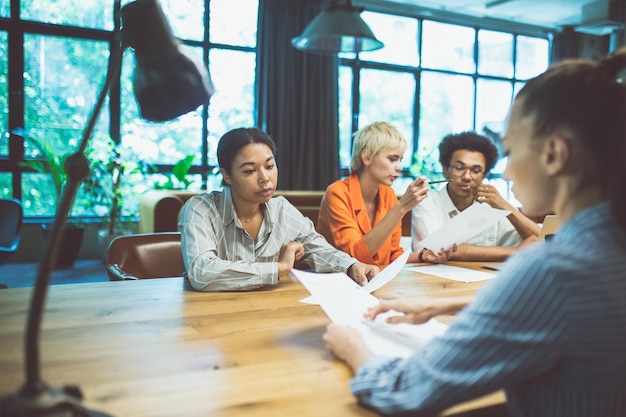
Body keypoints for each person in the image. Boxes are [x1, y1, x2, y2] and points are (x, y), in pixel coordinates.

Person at [323, 47, 626, 417]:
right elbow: (568, 311)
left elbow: (406, 390)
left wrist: (352, 345)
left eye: (511, 152)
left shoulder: (552, 272)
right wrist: (447, 304)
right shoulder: (604, 252)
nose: (508, 173)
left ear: (554, 155)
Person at [179, 127, 379, 291]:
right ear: (227, 175)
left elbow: (319, 249)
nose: (265, 178)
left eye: (269, 166)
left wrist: (352, 266)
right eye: (249, 171)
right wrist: (277, 268)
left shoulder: (282, 209)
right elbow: (202, 272)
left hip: (269, 314)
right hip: (210, 319)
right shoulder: (201, 209)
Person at [318, 121, 438, 267]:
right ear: (367, 157)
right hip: (337, 281)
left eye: (400, 160)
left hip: (377, 280)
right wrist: (401, 207)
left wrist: (422, 256)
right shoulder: (337, 194)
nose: (399, 167)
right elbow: (355, 257)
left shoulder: (388, 194)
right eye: (392, 159)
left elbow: (392, 255)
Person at [411, 131, 540, 263]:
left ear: (484, 175)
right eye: (459, 168)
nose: (467, 177)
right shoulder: (427, 201)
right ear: (446, 171)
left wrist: (505, 206)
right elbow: (437, 247)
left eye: (476, 170)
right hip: (433, 281)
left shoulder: (493, 205)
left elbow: (542, 241)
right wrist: (514, 252)